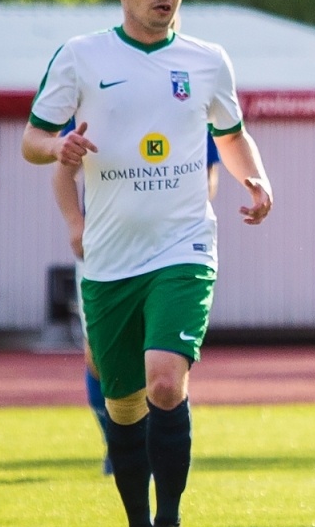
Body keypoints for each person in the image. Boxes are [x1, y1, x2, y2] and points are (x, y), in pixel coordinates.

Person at [21, 0, 274, 527]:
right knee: (125, 405)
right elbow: (31, 139)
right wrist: (60, 152)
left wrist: (256, 179)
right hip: (108, 260)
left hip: (184, 245)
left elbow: (233, 134)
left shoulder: (208, 60)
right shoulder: (80, 56)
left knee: (167, 380)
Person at [55, 132, 222, 476]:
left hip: (168, 251)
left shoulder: (186, 93)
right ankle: (116, 444)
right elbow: (62, 171)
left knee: (162, 363)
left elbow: (208, 175)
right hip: (106, 247)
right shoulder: (91, 92)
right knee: (99, 356)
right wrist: (76, 225)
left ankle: (150, 448)